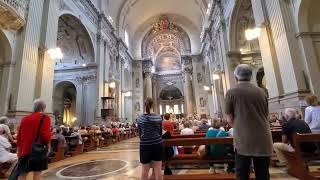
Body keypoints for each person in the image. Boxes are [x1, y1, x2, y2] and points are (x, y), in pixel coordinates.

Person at [225, 64, 273, 180]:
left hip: (243, 138)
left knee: (242, 174)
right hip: (264, 136)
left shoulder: (232, 92)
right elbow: (266, 114)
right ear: (251, 76)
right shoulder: (262, 91)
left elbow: (229, 117)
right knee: (263, 174)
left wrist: (240, 126)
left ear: (236, 77)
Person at [13, 99, 51, 180]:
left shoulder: (25, 118)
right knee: (37, 174)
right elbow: (46, 135)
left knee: (22, 174)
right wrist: (48, 145)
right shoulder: (45, 118)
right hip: (38, 150)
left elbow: (19, 135)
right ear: (43, 108)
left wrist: (19, 148)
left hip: (24, 150)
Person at [138, 98, 163, 180]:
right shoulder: (158, 117)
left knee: (145, 170)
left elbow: (140, 133)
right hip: (157, 144)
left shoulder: (140, 118)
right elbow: (160, 132)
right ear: (153, 105)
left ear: (144, 105)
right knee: (158, 169)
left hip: (145, 145)